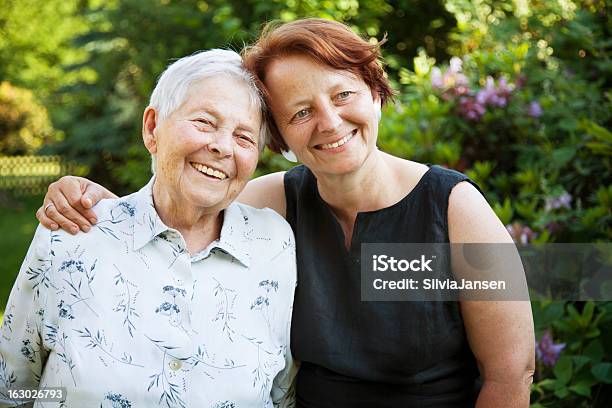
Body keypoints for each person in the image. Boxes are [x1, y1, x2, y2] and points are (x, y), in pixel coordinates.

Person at [36, 18, 535, 407]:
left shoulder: (452, 207)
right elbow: (177, 204)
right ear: (280, 137)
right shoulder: (273, 203)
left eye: (343, 95)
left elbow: (511, 374)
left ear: (377, 92)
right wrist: (92, 202)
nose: (330, 122)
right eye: (300, 112)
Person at [1, 49, 297, 407]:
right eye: (204, 122)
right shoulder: (68, 236)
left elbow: (282, 395)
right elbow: (11, 390)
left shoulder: (275, 246)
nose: (221, 147)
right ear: (152, 127)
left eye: (244, 137)